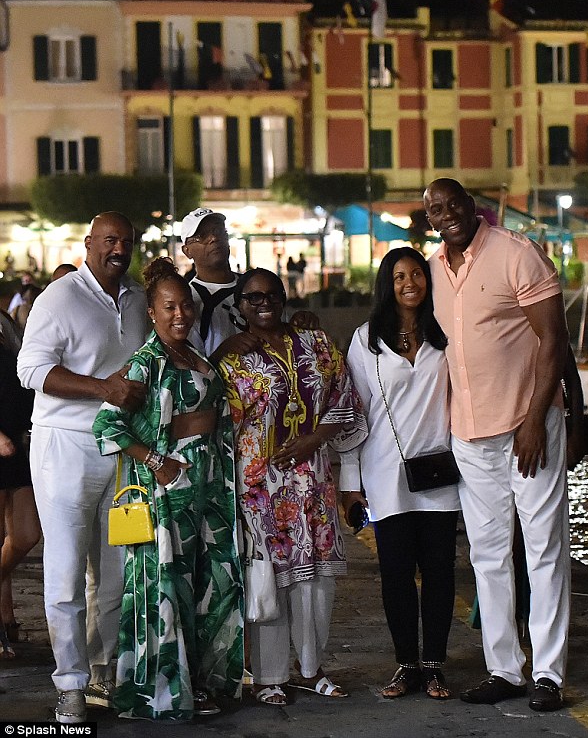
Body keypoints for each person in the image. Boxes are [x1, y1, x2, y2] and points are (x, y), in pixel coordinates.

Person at [423, 178, 570, 712]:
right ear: (431, 219)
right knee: (487, 555)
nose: (447, 215)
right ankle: (504, 668)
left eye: (453, 204)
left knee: (543, 548)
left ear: (470, 206)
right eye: (436, 210)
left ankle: (549, 673)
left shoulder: (517, 253)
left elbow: (554, 340)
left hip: (527, 426)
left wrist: (537, 419)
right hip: (469, 432)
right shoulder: (435, 271)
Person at [92, 257, 243, 720]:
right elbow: (107, 426)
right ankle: (164, 692)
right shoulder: (145, 361)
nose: (180, 315)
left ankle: (199, 684)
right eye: (169, 307)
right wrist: (158, 463)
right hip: (168, 492)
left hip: (209, 488)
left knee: (206, 589)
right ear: (152, 313)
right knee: (167, 590)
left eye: (185, 307)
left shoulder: (194, 356)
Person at [17, 212, 148, 724]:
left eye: (127, 242)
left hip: (120, 450)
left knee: (114, 574)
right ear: (89, 243)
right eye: (110, 240)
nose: (119, 249)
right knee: (66, 572)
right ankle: (69, 685)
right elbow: (31, 368)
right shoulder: (61, 296)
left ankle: (103, 669)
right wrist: (101, 388)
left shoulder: (137, 297)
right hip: (64, 447)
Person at [217, 268, 366, 706]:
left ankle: (311, 668)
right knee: (269, 581)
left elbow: (345, 398)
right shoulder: (232, 359)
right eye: (252, 297)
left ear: (285, 298)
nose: (263, 303)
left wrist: (316, 438)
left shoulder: (316, 344)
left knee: (316, 583)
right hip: (259, 487)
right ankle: (267, 676)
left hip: (313, 482)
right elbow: (221, 422)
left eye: (272, 294)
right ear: (239, 306)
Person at [339, 247, 460, 700]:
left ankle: (435, 666)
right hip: (385, 470)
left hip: (439, 469)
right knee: (395, 572)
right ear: (386, 286)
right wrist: (350, 483)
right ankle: (406, 664)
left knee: (440, 570)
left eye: (417, 274)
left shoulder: (444, 332)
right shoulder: (366, 340)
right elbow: (355, 413)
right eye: (398, 277)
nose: (409, 283)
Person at [180, 208, 317, 364]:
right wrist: (224, 352)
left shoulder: (257, 286)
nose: (213, 238)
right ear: (187, 251)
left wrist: (298, 324)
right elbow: (192, 373)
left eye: (218, 231)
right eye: (201, 236)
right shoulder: (188, 302)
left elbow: (281, 331)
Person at [0, 333, 38, 658]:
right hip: (1, 442)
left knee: (26, 535)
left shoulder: (7, 328)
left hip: (16, 446)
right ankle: (5, 623)